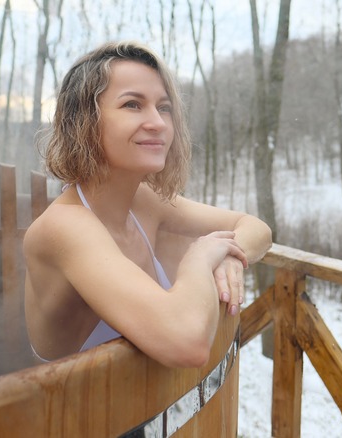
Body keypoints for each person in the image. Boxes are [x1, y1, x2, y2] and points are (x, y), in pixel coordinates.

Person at [24, 41, 272, 368]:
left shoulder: (144, 202)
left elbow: (256, 228)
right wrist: (199, 257)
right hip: (72, 413)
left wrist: (230, 256)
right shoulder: (65, 226)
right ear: (84, 120)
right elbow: (188, 343)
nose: (158, 123)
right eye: (132, 105)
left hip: (145, 410)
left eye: (164, 107)